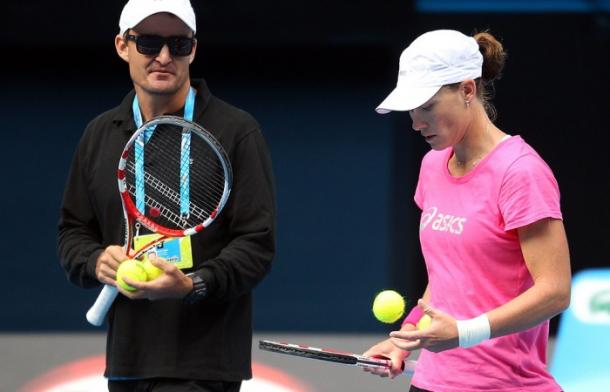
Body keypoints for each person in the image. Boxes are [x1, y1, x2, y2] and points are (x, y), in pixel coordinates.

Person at [57, 0, 275, 391]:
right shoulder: (99, 134)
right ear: (123, 46)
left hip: (207, 367)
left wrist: (195, 285)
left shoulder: (237, 130)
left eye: (177, 44)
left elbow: (257, 244)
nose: (163, 57)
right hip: (127, 363)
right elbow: (72, 232)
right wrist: (94, 261)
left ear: (193, 49)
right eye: (148, 43)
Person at [363, 29, 571, 392]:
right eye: (412, 109)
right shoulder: (431, 166)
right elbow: (448, 279)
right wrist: (408, 335)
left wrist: (464, 333)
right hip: (431, 382)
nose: (416, 122)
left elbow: (556, 291)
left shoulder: (521, 172)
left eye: (427, 106)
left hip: (505, 385)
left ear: (467, 91)